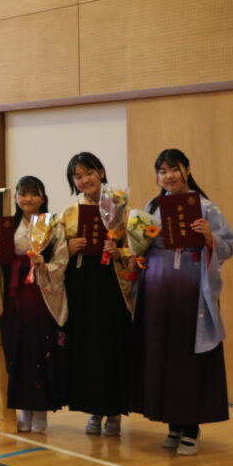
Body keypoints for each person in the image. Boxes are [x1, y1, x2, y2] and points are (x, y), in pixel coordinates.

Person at [132, 148, 233, 456]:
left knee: (186, 355)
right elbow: (140, 244)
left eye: (174, 169)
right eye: (162, 171)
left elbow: (229, 245)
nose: (169, 176)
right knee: (162, 352)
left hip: (191, 290)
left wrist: (209, 237)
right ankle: (172, 422)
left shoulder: (205, 206)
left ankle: (191, 425)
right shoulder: (152, 206)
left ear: (187, 169)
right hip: (156, 289)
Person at [0, 176, 69, 433]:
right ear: (15, 197)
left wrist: (44, 264)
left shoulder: (53, 224)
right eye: (22, 193)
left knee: (41, 347)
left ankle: (41, 412)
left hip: (42, 293)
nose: (28, 199)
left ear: (43, 197)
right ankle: (24, 410)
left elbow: (62, 259)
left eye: (34, 194)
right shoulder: (8, 226)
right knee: (19, 348)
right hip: (15, 295)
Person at [61, 152, 135, 437]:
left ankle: (114, 412)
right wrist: (68, 249)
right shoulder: (69, 212)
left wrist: (120, 252)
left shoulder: (121, 207)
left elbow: (139, 248)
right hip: (82, 286)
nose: (84, 180)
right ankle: (94, 410)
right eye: (78, 176)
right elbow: (54, 251)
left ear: (101, 172)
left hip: (112, 286)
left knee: (111, 347)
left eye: (89, 173)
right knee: (88, 348)